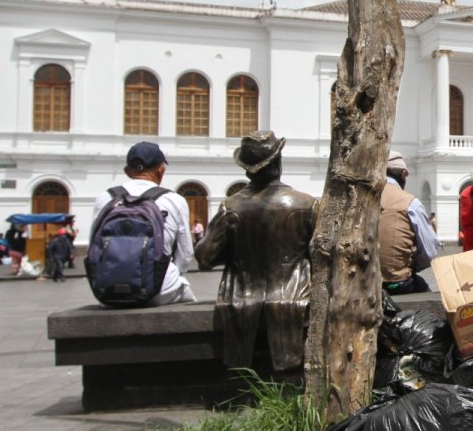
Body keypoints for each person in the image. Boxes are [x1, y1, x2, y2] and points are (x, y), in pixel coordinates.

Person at [196, 131, 317, 371]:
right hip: (294, 299)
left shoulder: (230, 207)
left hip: (241, 299)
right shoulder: (307, 203)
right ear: (279, 161)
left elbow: (205, 257)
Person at [94, 141, 195, 305]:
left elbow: (95, 245)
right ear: (161, 169)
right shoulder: (174, 199)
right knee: (187, 298)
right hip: (162, 289)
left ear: (127, 171)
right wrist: (173, 273)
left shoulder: (105, 197)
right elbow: (185, 253)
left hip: (108, 291)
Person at [379, 150, 441, 295]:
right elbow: (430, 252)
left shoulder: (358, 198)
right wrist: (412, 265)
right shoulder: (410, 203)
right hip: (395, 284)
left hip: (360, 281)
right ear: (403, 174)